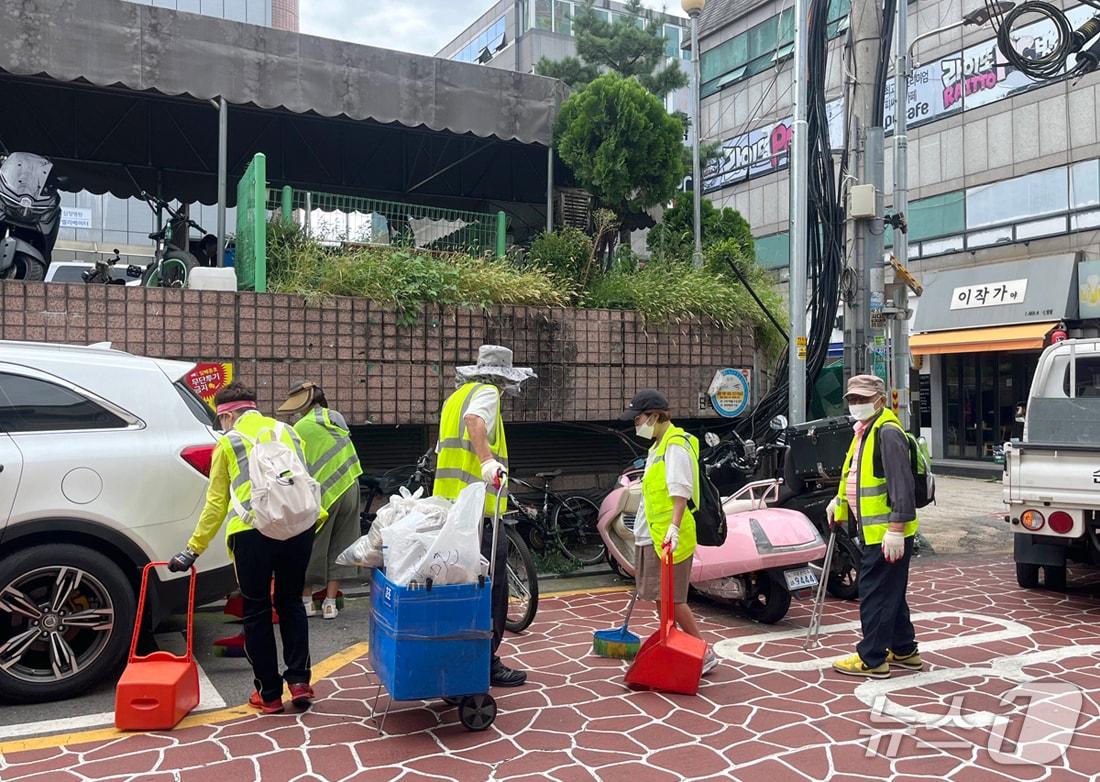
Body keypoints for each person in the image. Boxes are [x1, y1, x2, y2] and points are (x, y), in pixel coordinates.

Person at [169, 382, 323, 714]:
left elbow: (215, 505)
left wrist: (192, 550)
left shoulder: (229, 442)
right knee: (291, 603)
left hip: (252, 532)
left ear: (228, 415)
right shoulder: (287, 432)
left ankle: (269, 694)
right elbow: (303, 481)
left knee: (256, 611)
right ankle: (299, 682)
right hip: (298, 528)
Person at [432, 344, 536, 688]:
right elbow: (474, 422)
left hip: (451, 510)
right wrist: (488, 461)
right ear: (502, 378)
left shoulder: (455, 397)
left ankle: (459, 656)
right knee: (492, 590)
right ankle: (486, 662)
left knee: (461, 588)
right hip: (480, 514)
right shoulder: (488, 393)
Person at [828, 374, 920, 678]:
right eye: (853, 399)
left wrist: (896, 528)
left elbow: (901, 484)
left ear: (880, 400)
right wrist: (839, 503)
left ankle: (872, 659)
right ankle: (904, 649)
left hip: (885, 534)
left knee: (874, 593)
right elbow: (855, 476)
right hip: (875, 531)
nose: (857, 404)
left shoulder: (887, 432)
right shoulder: (865, 430)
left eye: (863, 399)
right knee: (890, 591)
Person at [620, 389, 718, 677]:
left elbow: (680, 491)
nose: (637, 425)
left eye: (638, 419)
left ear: (654, 416)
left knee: (673, 600)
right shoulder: (658, 446)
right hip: (653, 534)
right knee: (660, 599)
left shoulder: (674, 446)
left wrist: (673, 528)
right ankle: (677, 648)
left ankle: (703, 652)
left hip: (668, 538)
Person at [278, 381, 363, 621]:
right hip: (350, 484)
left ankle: (306, 601)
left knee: (313, 545)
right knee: (342, 544)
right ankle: (330, 604)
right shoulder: (336, 418)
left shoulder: (300, 427)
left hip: (323, 493)